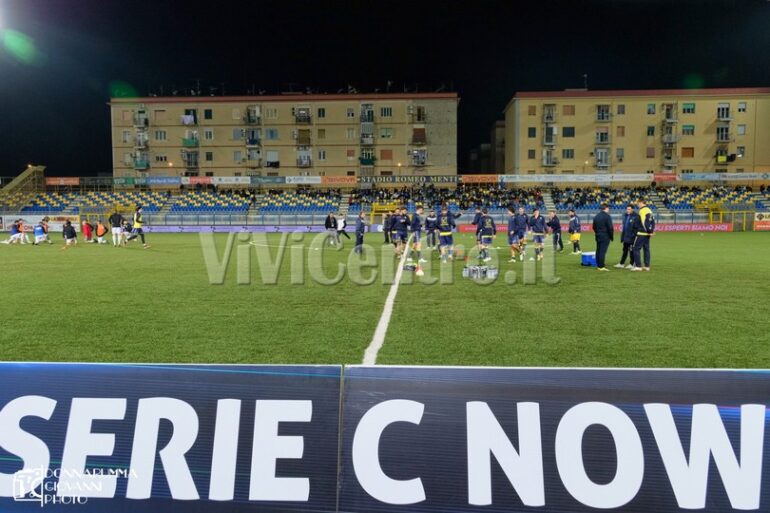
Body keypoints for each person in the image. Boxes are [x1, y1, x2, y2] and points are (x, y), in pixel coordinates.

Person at [631, 198, 655, 272]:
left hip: (642, 233)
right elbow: (653, 222)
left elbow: (645, 222)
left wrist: (649, 231)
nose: (637, 205)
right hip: (647, 234)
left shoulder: (642, 210)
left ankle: (638, 266)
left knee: (635, 248)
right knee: (646, 249)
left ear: (641, 203)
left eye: (638, 203)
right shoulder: (650, 210)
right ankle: (647, 266)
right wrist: (651, 231)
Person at [615, 205, 638, 269]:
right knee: (624, 250)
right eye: (627, 209)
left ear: (632, 209)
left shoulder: (636, 216)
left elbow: (636, 228)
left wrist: (633, 235)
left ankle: (632, 263)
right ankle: (621, 263)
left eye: (629, 209)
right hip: (625, 237)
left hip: (631, 237)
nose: (628, 210)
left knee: (631, 251)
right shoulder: (625, 216)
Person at [592, 203, 614, 271]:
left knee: (598, 250)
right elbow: (610, 228)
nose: (609, 209)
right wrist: (611, 236)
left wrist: (597, 232)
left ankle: (599, 264)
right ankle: (601, 266)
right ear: (606, 208)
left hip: (598, 235)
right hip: (605, 236)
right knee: (602, 251)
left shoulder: (596, 216)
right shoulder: (607, 216)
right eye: (608, 208)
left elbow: (594, 227)